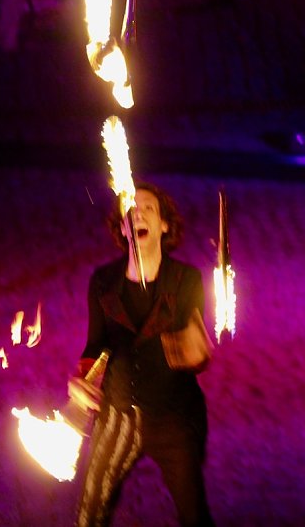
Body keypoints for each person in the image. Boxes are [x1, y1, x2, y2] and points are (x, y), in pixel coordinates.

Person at [68, 182, 215, 527]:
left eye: (148, 208)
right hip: (118, 415)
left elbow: (193, 348)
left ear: (164, 225)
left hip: (173, 418)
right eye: (131, 209)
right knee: (90, 513)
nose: (139, 213)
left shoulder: (185, 280)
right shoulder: (103, 281)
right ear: (122, 227)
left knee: (194, 515)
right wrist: (82, 380)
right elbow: (97, 345)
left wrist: (193, 353)